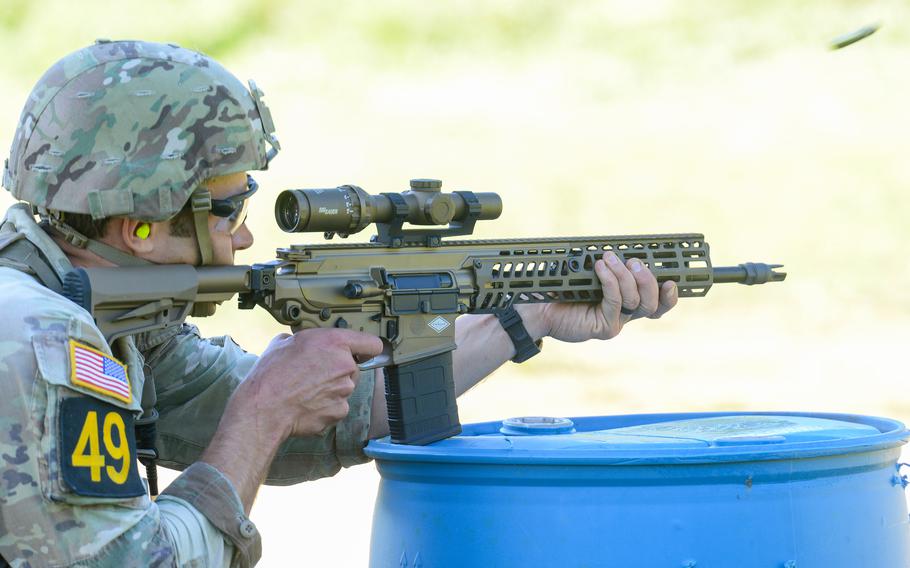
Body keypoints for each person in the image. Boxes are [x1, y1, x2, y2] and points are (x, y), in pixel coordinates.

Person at [0, 40, 678, 567]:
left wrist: (525, 316)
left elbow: (333, 419)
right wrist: (264, 409)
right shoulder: (39, 341)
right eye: (228, 209)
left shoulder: (102, 313)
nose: (244, 236)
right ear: (138, 229)